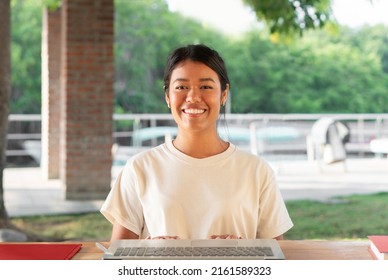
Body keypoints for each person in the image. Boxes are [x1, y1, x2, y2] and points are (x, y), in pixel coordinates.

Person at [101, 44, 293, 241]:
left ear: (224, 94)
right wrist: (148, 252)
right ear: (167, 96)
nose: (193, 97)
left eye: (206, 87)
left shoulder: (257, 171)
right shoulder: (139, 168)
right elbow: (118, 259)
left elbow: (276, 259)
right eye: (181, 87)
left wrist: (243, 252)